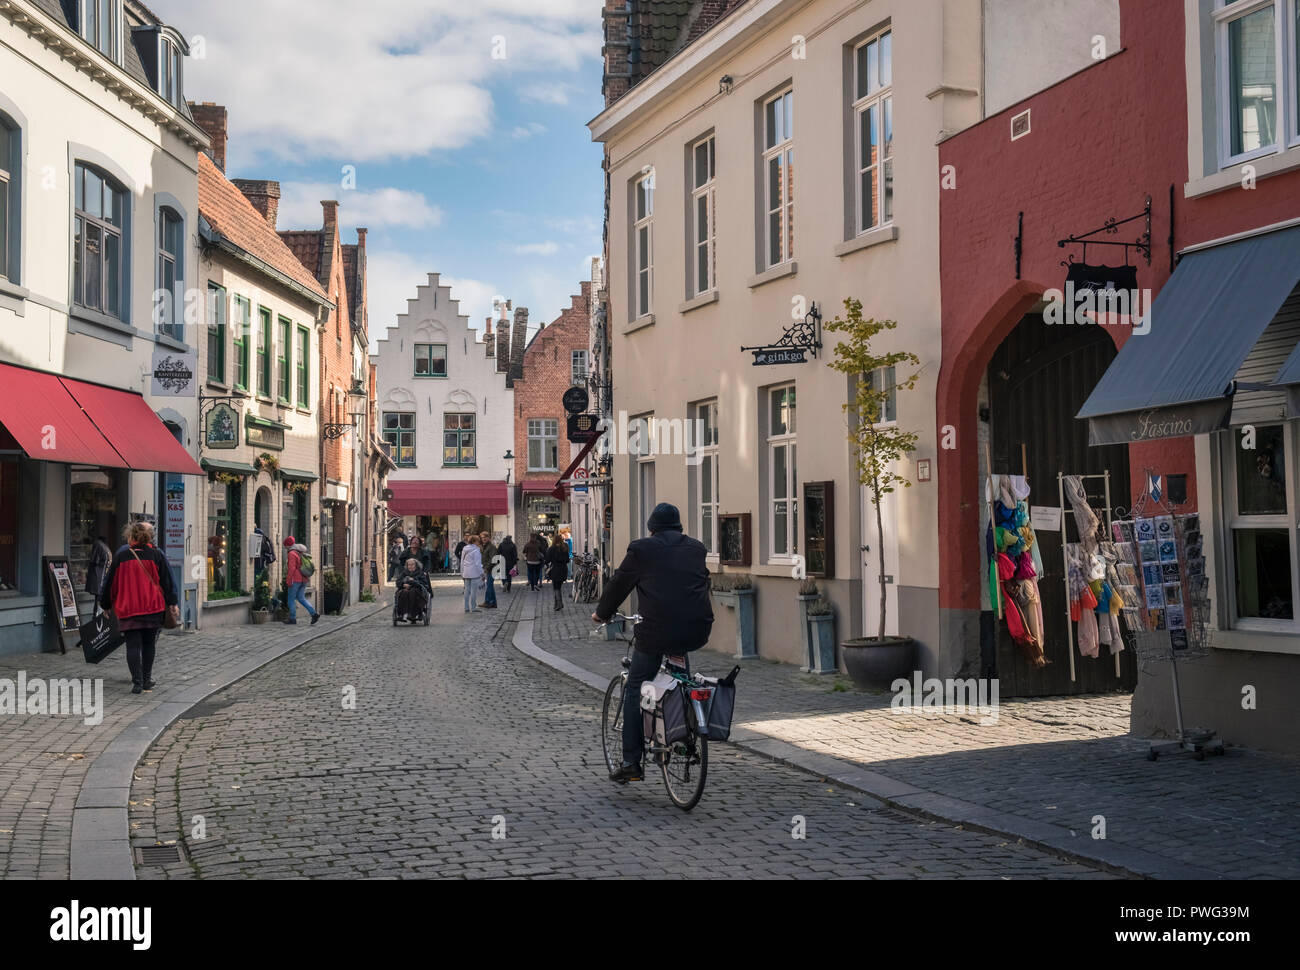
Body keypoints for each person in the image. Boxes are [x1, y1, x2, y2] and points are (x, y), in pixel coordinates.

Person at [592, 502, 713, 784]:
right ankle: (684, 731)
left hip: (656, 632)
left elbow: (619, 584)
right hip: (696, 630)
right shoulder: (696, 549)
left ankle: (631, 762)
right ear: (680, 527)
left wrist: (601, 614)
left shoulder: (642, 550)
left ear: (651, 529)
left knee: (636, 687)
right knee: (680, 680)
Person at [99, 520, 178, 695]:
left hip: (129, 608)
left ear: (130, 536)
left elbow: (110, 582)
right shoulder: (156, 554)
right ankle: (147, 679)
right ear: (149, 537)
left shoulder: (121, 555)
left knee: (132, 645)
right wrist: (172, 602)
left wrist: (105, 604)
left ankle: (137, 682)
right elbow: (167, 580)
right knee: (149, 644)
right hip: (152, 606)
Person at [283, 536, 319, 625]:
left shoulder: (291, 554)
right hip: (304, 579)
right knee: (301, 598)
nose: (285, 548)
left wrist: (288, 580)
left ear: (288, 545)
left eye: (285, 546)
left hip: (295, 579)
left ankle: (292, 619)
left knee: (291, 599)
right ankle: (313, 613)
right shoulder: (300, 552)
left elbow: (291, 568)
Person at [395, 557, 432, 621]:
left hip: (418, 591)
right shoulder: (404, 573)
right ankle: (402, 614)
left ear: (416, 565)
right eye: (409, 565)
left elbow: (424, 584)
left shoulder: (420, 573)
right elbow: (398, 582)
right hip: (405, 589)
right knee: (404, 592)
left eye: (412, 564)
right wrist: (403, 584)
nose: (410, 566)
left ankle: (413, 614)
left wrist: (414, 581)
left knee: (413, 592)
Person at [86, 534, 113, 616]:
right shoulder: (106, 548)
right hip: (104, 578)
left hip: (99, 578)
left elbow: (94, 561)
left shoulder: (98, 545)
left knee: (98, 602)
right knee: (100, 601)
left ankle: (97, 619)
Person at [545, 532, 570, 612]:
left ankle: (559, 603)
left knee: (556, 587)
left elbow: (547, 560)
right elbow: (567, 560)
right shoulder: (565, 547)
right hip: (563, 569)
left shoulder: (551, 548)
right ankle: (557, 604)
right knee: (558, 586)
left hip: (555, 569)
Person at [460, 534, 483, 613]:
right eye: (478, 541)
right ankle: (473, 607)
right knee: (473, 591)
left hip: (466, 572)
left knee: (466, 591)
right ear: (474, 541)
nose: (479, 543)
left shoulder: (464, 549)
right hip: (474, 573)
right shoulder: (476, 550)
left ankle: (466, 607)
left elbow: (462, 561)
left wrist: (462, 572)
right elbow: (477, 563)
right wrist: (481, 572)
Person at [479, 531, 498, 609]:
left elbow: (493, 559)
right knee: (489, 586)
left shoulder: (491, 547)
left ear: (488, 538)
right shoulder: (485, 546)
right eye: (482, 538)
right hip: (487, 568)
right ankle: (490, 602)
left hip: (491, 569)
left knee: (489, 586)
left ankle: (490, 602)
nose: (483, 539)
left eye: (485, 537)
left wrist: (487, 568)